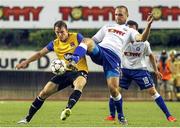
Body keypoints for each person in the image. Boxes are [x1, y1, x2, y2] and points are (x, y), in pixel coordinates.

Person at [66, 5, 154, 125]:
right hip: (101, 51)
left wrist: (148, 25)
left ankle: (121, 115)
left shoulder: (130, 31)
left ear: (127, 16)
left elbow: (142, 38)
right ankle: (73, 60)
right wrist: (83, 49)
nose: (118, 16)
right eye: (116, 14)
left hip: (113, 59)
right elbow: (93, 40)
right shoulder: (107, 27)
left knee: (113, 90)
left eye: (121, 14)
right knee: (86, 40)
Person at [16, 20, 88, 124]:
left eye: (62, 32)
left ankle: (67, 109)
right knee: (43, 93)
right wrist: (26, 62)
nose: (60, 35)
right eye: (57, 32)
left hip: (79, 70)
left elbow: (86, 46)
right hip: (63, 72)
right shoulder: (54, 44)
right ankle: (27, 118)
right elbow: (40, 53)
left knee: (79, 85)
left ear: (67, 31)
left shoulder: (77, 37)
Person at [105, 20, 176, 122]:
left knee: (152, 91)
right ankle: (112, 115)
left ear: (136, 31)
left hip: (140, 71)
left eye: (133, 29)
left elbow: (151, 55)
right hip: (124, 70)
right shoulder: (121, 42)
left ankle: (169, 116)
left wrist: (155, 70)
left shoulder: (144, 43)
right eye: (128, 29)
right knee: (114, 91)